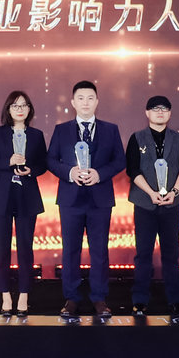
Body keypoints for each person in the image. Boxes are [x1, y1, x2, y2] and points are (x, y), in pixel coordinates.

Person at [46, 80, 124, 322]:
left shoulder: (111, 129)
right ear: (73, 102)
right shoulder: (61, 130)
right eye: (81, 98)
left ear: (97, 101)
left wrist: (100, 174)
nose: (86, 103)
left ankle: (99, 298)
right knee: (70, 250)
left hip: (100, 199)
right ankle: (71, 298)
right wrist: (70, 172)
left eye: (90, 98)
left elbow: (119, 161)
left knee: (99, 251)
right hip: (70, 199)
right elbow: (51, 160)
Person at [125, 95, 179, 319]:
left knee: (171, 255)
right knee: (143, 254)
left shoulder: (178, 139)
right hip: (145, 204)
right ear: (147, 113)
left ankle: (176, 301)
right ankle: (140, 301)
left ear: (170, 113)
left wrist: (174, 192)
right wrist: (151, 193)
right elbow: (132, 169)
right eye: (155, 108)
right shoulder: (137, 138)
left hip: (172, 204)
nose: (160, 112)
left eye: (164, 109)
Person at [0, 90, 48, 316]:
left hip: (27, 196)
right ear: (8, 109)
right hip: (0, 197)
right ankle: (5, 295)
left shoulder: (37, 135)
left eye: (24, 105)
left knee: (25, 248)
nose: (20, 109)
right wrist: (8, 161)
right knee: (1, 248)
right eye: (15, 105)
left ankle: (24, 295)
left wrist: (31, 170)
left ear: (30, 109)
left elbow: (43, 164)